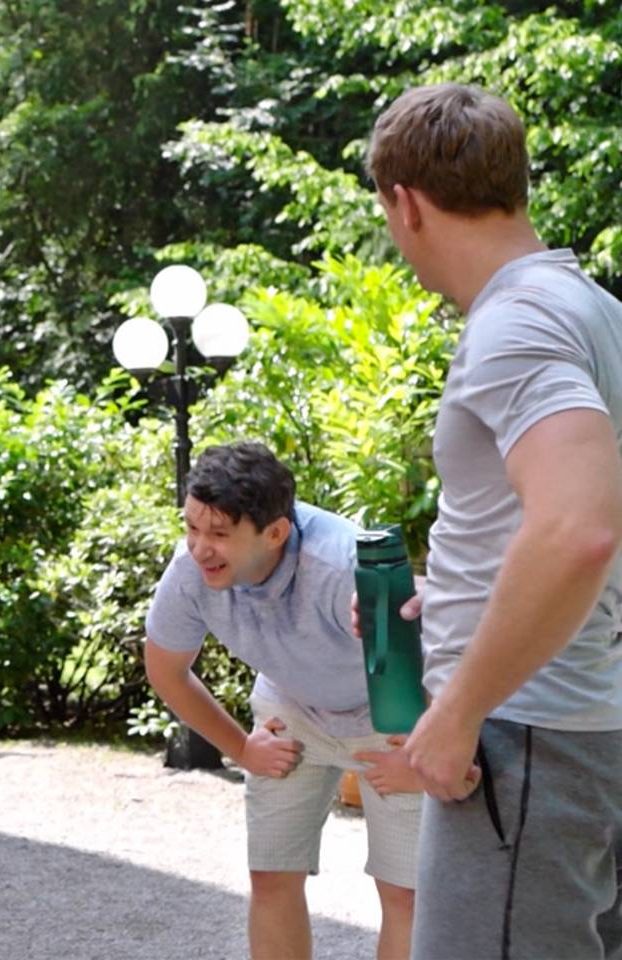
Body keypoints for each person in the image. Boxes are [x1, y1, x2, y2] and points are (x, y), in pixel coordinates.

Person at [369, 83, 622, 957]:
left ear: (406, 204)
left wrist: (458, 710)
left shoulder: (515, 324)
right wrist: (463, 589)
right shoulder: (598, 313)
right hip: (582, 728)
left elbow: (579, 528)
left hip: (523, 741)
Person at [143, 442, 422, 960]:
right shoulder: (190, 573)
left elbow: (438, 658)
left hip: (389, 710)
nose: (200, 548)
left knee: (407, 894)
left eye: (219, 534)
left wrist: (425, 754)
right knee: (271, 875)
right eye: (191, 528)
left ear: (274, 533)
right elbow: (166, 671)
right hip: (290, 705)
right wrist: (242, 749)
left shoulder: (340, 567)